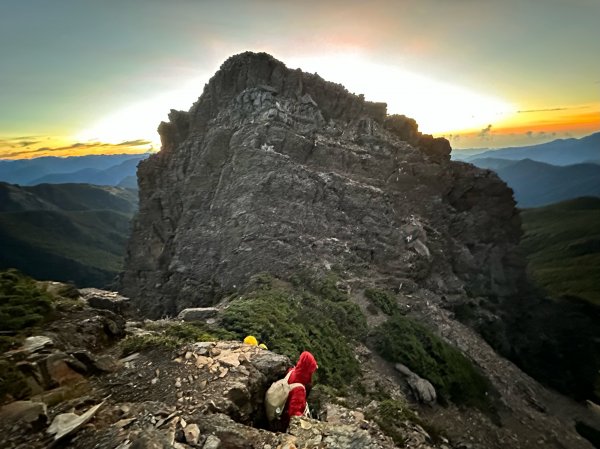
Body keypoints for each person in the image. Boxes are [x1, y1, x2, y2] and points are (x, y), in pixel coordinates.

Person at [282, 351, 318, 428]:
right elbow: (294, 413)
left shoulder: (292, 371)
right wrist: (306, 421)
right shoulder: (299, 390)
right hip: (285, 421)